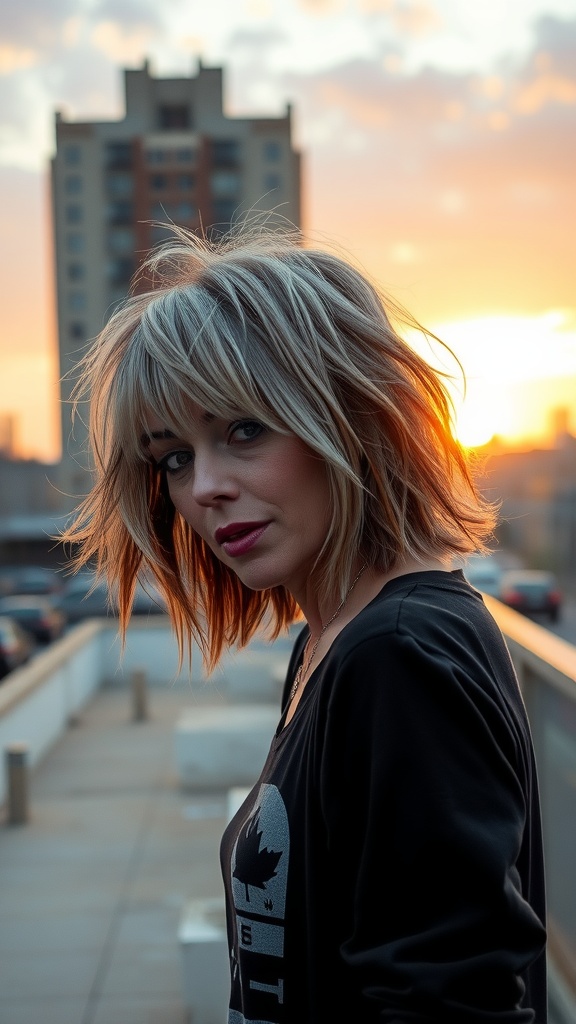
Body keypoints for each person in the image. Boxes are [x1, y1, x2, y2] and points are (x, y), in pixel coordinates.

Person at [62, 223, 547, 1023]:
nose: (204, 487)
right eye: (174, 456)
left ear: (350, 416)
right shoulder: (334, 641)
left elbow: (450, 1001)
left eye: (243, 430)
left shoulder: (400, 657)